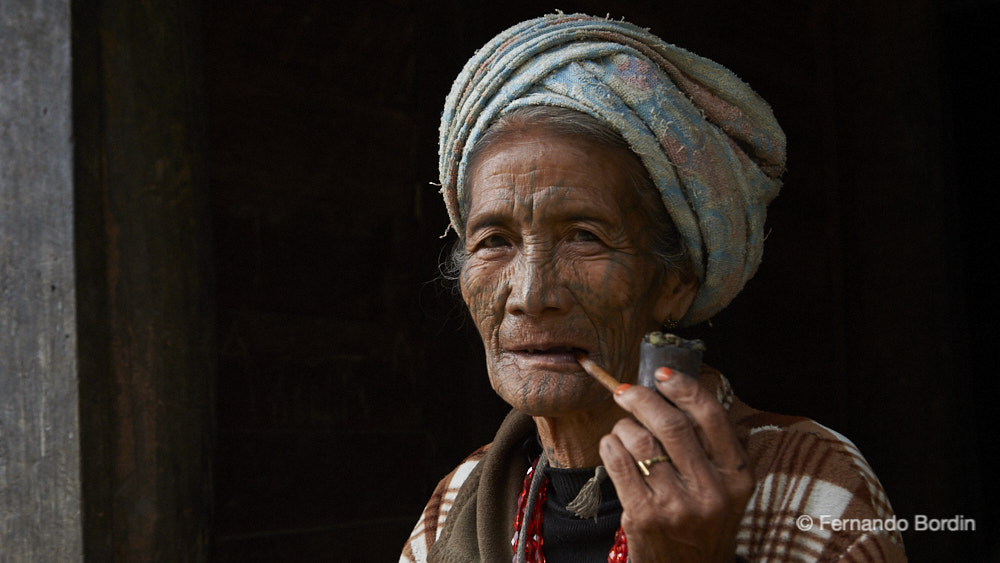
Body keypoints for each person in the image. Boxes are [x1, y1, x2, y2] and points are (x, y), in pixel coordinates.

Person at [401, 13, 905, 562]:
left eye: (584, 237)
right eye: (495, 241)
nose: (530, 294)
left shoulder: (809, 488)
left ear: (675, 282)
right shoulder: (457, 504)